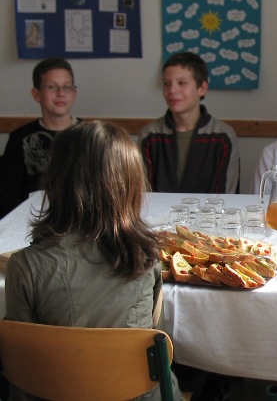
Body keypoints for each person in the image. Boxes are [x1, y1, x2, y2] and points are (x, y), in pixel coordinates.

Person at [4, 121, 184, 400]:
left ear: (56, 181)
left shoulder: (25, 266)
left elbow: (21, 364)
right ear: (130, 185)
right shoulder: (147, 259)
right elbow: (153, 342)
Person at [139, 51, 239, 194]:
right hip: (159, 209)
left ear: (202, 88)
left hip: (209, 209)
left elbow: (227, 194)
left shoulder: (223, 136)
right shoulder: (149, 135)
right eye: (166, 83)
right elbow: (142, 191)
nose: (172, 90)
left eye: (181, 83)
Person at [0, 58, 80, 219]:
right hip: (32, 222)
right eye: (51, 87)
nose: (61, 93)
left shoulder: (91, 135)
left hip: (80, 221)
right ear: (36, 94)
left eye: (67, 87)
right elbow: (8, 196)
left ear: (74, 93)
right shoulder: (20, 138)